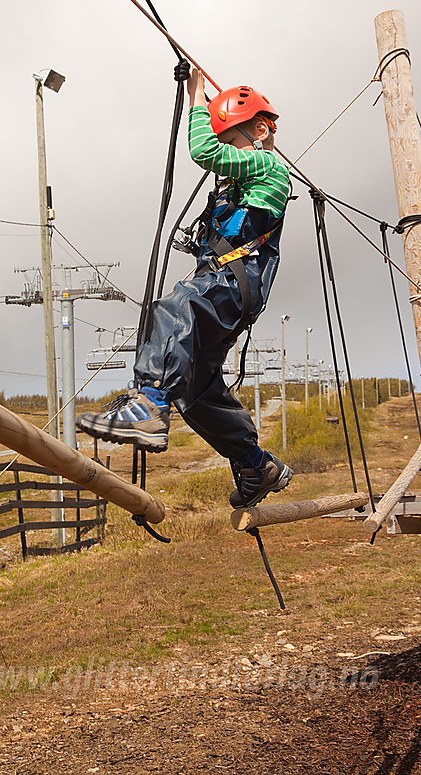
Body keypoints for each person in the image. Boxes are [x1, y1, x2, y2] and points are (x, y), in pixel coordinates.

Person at [76, 65, 293, 508]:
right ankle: (256, 464)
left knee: (178, 307)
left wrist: (196, 96)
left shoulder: (266, 163)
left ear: (260, 129)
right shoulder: (242, 180)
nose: (228, 152)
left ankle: (149, 404)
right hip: (228, 286)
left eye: (232, 138)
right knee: (196, 392)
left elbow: (202, 151)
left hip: (232, 282)